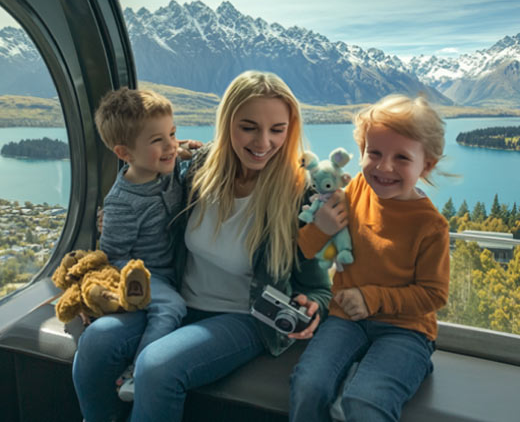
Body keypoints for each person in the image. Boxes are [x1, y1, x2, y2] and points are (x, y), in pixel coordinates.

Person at [73, 71, 333, 422]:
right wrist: (112, 232)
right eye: (249, 127)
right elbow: (145, 190)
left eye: (277, 129)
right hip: (177, 300)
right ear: (227, 124)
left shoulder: (301, 194)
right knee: (96, 341)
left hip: (243, 317)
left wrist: (312, 306)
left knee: (156, 366)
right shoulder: (198, 169)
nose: (264, 142)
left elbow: (319, 289)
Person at [290, 94, 450, 422]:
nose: (383, 167)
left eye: (402, 157)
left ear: (427, 165)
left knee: (366, 402)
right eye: (373, 152)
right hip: (345, 320)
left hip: (406, 330)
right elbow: (306, 248)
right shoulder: (357, 188)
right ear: (361, 150)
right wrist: (320, 228)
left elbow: (434, 295)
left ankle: (410, 365)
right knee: (308, 384)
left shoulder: (431, 226)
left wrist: (370, 298)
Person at [92, 88, 195, 402]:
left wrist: (184, 150)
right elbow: (112, 255)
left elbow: (177, 154)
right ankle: (137, 372)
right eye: (157, 141)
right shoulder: (123, 203)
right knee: (172, 307)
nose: (170, 146)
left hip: (168, 269)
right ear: (125, 153)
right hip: (140, 272)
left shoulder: (165, 170)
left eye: (173, 134)